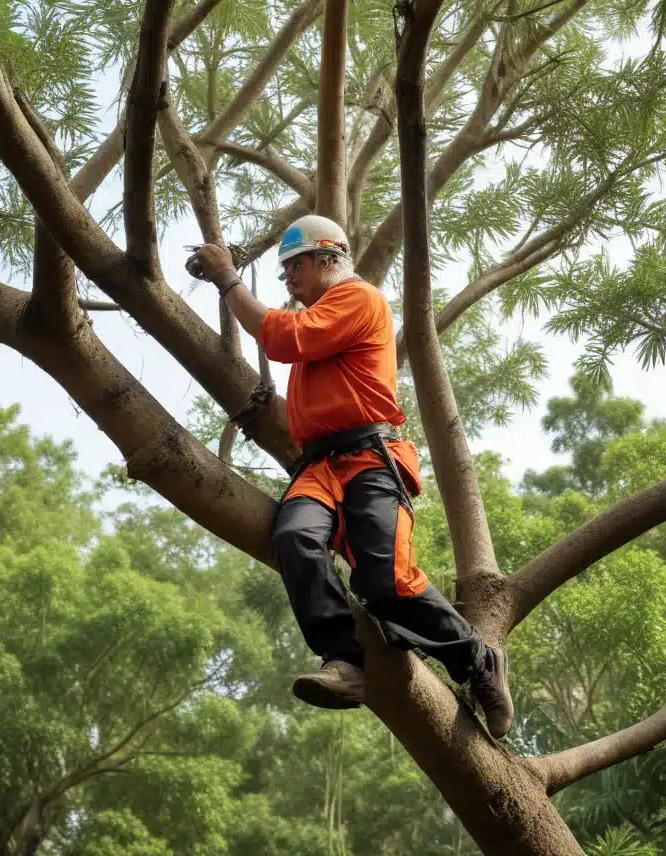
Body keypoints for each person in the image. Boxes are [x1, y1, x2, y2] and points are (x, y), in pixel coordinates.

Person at [193, 215, 514, 737]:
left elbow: (282, 338)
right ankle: (344, 660)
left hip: (367, 459)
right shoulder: (323, 320)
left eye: (296, 264)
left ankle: (478, 662)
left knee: (386, 582)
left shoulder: (358, 299)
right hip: (318, 468)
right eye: (285, 269)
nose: (289, 276)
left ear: (329, 259)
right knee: (295, 538)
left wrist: (229, 278)